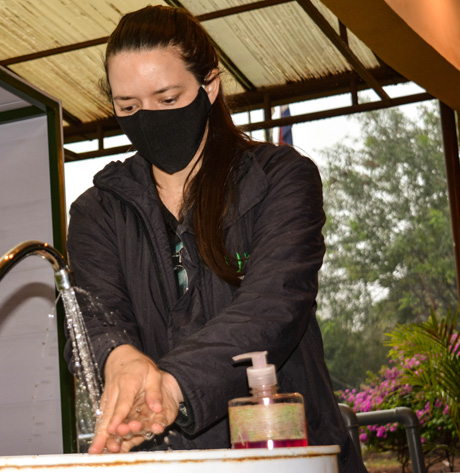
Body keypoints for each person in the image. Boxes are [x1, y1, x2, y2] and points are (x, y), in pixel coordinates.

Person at [65, 5, 367, 473]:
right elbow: (96, 316)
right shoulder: (97, 211)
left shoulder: (278, 179)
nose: (148, 118)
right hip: (162, 462)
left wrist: (172, 384)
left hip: (285, 454)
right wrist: (119, 359)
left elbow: (274, 305)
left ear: (210, 84)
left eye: (167, 99)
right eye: (128, 107)